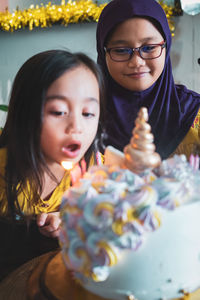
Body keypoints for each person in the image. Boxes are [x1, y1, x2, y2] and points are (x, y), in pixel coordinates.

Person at [0, 49, 105, 281]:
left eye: (88, 113)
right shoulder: (3, 171)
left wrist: (70, 224)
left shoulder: (98, 172)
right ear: (25, 113)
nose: (76, 127)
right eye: (58, 111)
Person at [96, 0, 200, 160]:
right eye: (121, 50)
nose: (137, 62)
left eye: (149, 47)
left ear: (166, 46)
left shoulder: (194, 113)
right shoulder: (86, 117)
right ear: (103, 54)